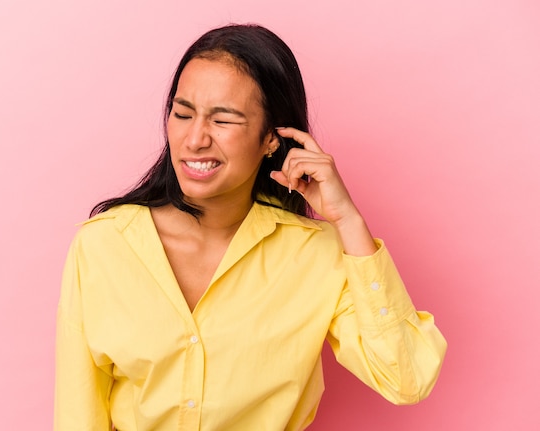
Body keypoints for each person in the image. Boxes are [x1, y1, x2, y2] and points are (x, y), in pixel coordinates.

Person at [54, 23, 447, 431]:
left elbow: (407, 379)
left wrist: (349, 220)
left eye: (223, 120)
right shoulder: (103, 245)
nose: (194, 139)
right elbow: (78, 414)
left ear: (271, 139)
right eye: (182, 113)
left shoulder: (317, 254)